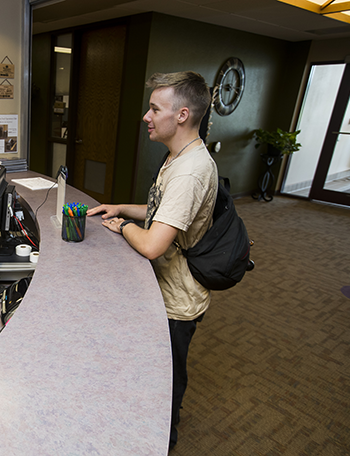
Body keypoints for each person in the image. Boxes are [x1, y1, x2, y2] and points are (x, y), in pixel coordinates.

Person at [87, 71, 217, 451]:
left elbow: (152, 245)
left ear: (181, 115)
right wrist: (122, 207)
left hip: (178, 299)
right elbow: (166, 213)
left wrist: (123, 225)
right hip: (163, 286)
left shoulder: (191, 170)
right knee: (151, 369)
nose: (146, 116)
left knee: (168, 376)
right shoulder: (179, 155)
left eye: (155, 108)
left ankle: (163, 440)